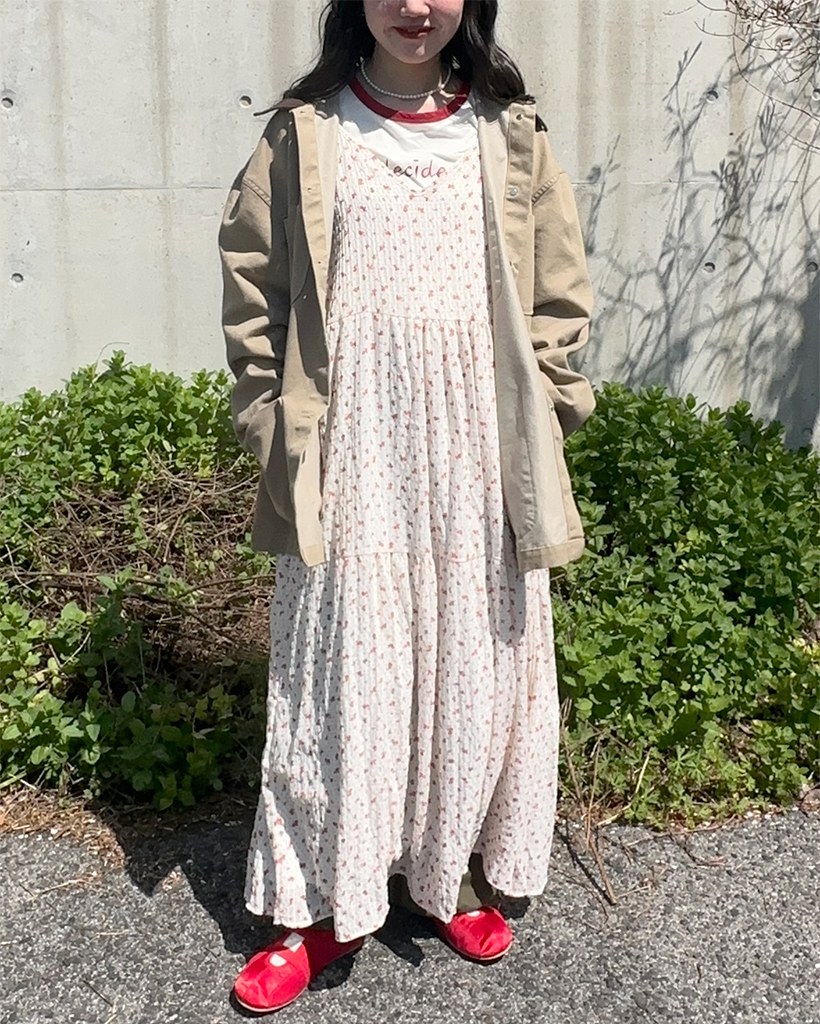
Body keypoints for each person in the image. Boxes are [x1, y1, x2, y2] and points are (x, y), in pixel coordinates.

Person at [219, 0, 594, 1013]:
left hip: (478, 454)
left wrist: (549, 408)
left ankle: (446, 872)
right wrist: (274, 425)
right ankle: (311, 906)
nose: (415, 7)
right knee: (338, 673)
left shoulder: (508, 134)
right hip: (351, 451)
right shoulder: (306, 135)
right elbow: (253, 290)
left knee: (472, 662)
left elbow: (558, 292)